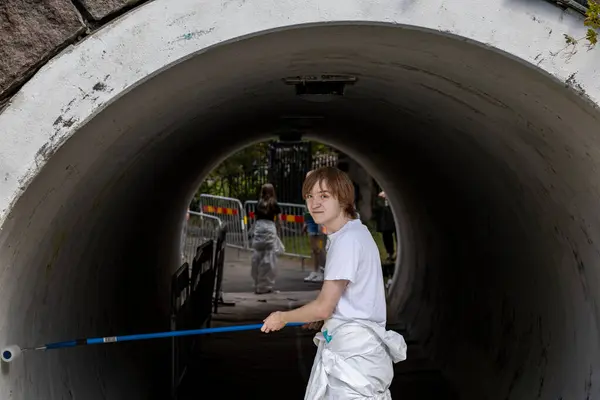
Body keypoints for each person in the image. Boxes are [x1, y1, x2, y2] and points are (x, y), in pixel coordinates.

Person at [261, 167, 407, 399]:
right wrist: (322, 316)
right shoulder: (354, 233)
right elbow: (342, 301)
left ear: (343, 198)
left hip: (353, 358)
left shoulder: (347, 241)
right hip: (356, 354)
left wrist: (282, 317)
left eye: (324, 196)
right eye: (309, 196)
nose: (314, 203)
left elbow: (324, 306)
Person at [250, 183, 285, 294]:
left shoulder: (258, 204)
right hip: (269, 229)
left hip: (259, 229)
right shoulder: (274, 204)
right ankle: (266, 285)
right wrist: (278, 230)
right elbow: (279, 220)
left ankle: (257, 283)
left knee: (257, 256)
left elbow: (255, 219)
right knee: (269, 259)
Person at [303, 170, 327, 283]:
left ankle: (323, 271)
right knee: (313, 249)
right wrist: (305, 222)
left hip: (320, 220)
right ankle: (315, 270)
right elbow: (307, 207)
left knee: (320, 247)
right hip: (311, 221)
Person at [376, 191, 397, 263]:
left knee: (399, 233)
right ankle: (390, 253)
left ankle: (400, 252)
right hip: (384, 209)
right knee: (386, 232)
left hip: (395, 208)